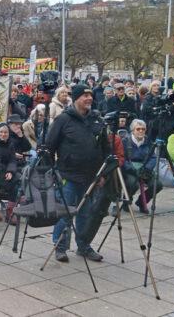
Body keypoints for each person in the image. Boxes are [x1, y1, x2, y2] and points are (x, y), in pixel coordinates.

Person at [47, 84, 110, 263]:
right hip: (68, 176)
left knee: (86, 214)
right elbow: (49, 146)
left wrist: (103, 174)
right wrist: (53, 171)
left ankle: (83, 246)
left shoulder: (97, 120)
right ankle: (60, 246)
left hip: (91, 178)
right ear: (75, 98)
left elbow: (106, 149)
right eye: (85, 95)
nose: (89, 98)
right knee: (66, 213)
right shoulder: (63, 120)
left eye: (90, 95)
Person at [122, 119, 163, 214]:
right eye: (138, 129)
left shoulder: (148, 141)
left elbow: (153, 157)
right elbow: (122, 159)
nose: (141, 131)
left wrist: (147, 168)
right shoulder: (125, 141)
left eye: (143, 129)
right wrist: (131, 169)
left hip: (145, 167)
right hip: (130, 168)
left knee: (157, 184)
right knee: (133, 183)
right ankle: (126, 201)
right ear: (132, 130)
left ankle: (141, 202)